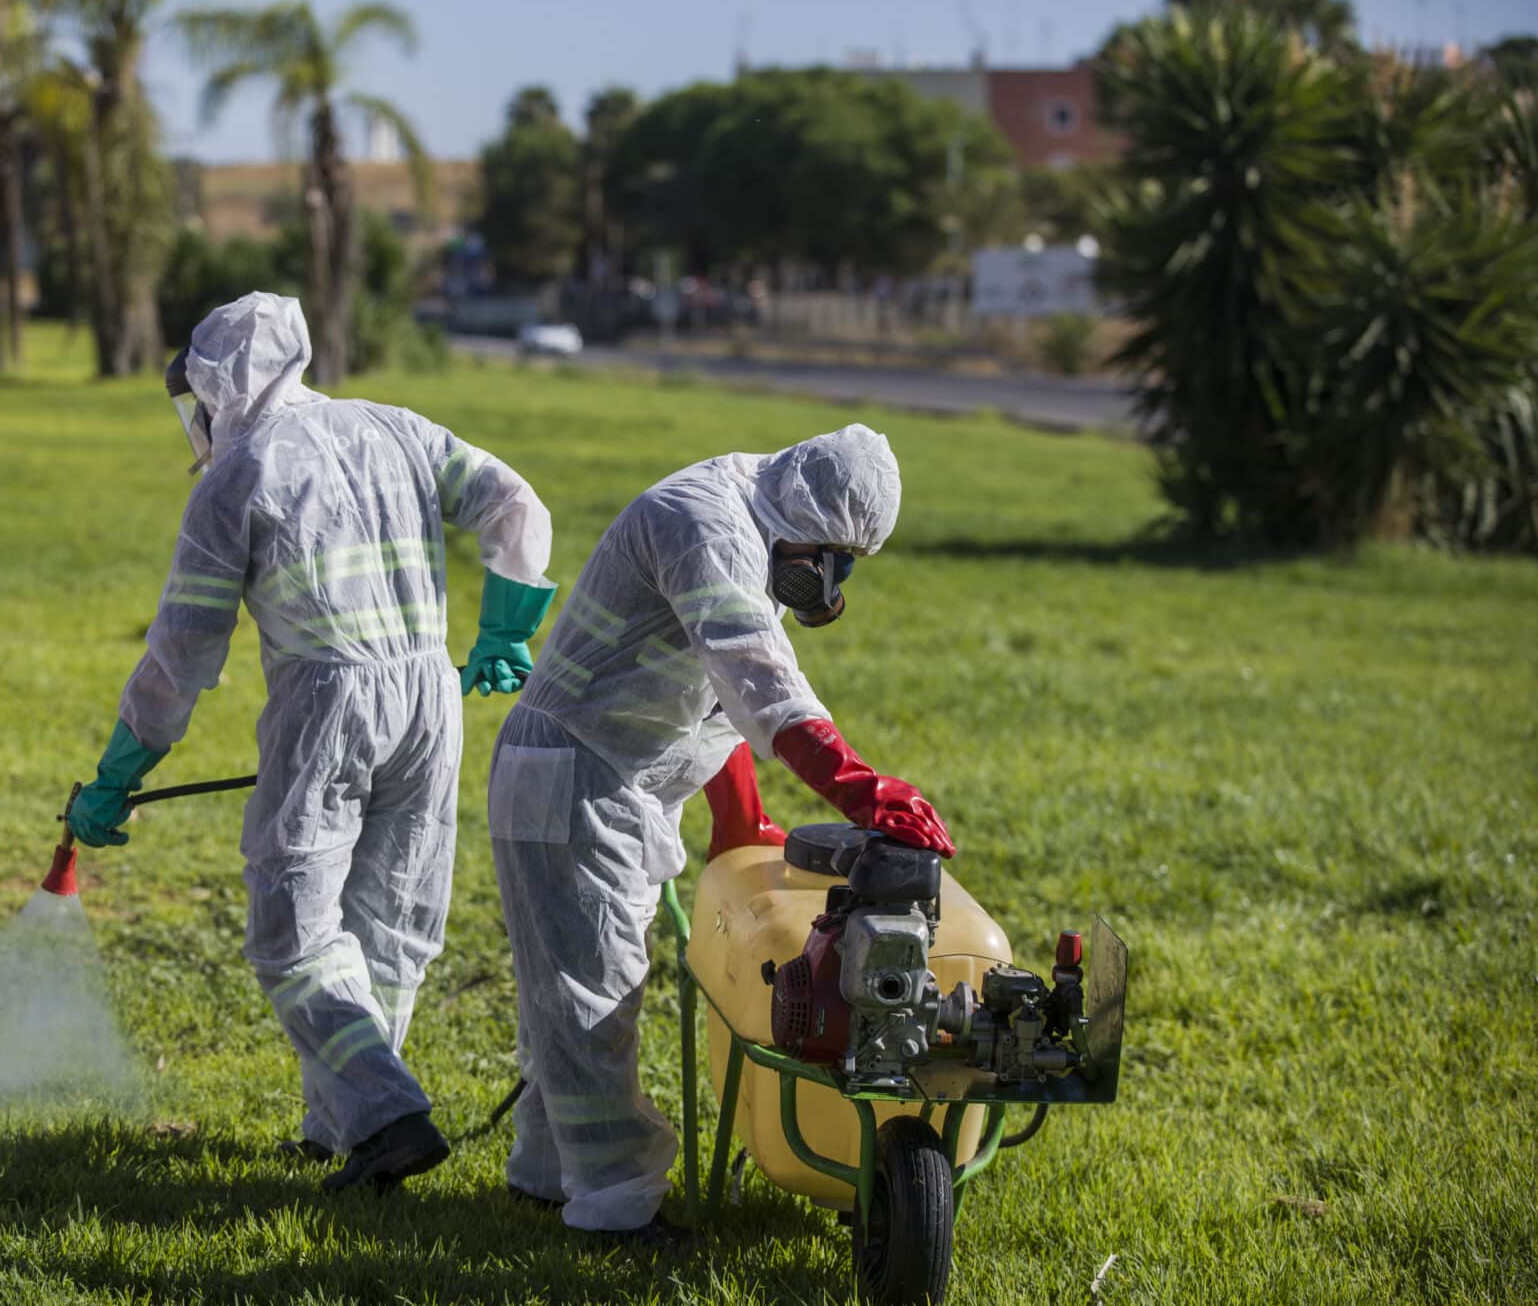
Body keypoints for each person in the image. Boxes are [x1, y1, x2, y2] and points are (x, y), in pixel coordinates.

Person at [68, 293, 555, 1191]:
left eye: (196, 402)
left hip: (325, 700)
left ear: (218, 385)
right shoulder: (395, 426)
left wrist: (120, 767)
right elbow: (514, 502)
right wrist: (505, 626)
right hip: (427, 699)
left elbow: (181, 656)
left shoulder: (236, 478)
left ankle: (387, 1116)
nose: (197, 423)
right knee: (390, 926)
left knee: (291, 928)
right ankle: (343, 1129)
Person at [485, 423, 954, 1243]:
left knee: (576, 992)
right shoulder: (704, 523)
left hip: (615, 780)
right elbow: (758, 681)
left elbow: (713, 686)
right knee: (592, 999)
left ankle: (546, 1176)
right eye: (836, 560)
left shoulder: (761, 519)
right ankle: (612, 1210)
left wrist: (738, 814)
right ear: (808, 526)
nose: (834, 585)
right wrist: (864, 789)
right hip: (572, 777)